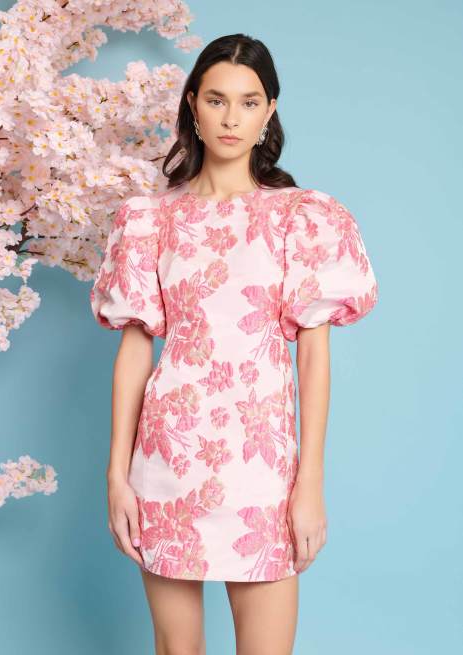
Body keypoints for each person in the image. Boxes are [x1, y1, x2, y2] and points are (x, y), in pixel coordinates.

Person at [90, 33, 378, 655]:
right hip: (166, 462)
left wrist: (309, 482)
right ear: (193, 104)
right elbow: (135, 354)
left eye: (248, 103)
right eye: (217, 100)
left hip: (262, 470)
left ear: (269, 111)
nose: (231, 118)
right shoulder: (147, 219)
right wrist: (117, 475)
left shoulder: (302, 217)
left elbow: (314, 356)